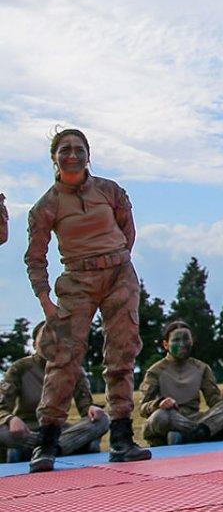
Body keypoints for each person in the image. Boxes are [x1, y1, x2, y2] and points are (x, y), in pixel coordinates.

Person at [24, 128, 150, 470]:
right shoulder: (46, 206)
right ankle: (46, 441)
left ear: (88, 154)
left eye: (79, 149)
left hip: (119, 275)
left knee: (122, 353)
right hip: (76, 280)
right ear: (54, 157)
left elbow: (128, 230)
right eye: (65, 149)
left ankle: (122, 438)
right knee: (64, 358)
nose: (72, 154)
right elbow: (36, 257)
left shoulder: (110, 191)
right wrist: (45, 299)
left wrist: (117, 263)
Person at [1, 322, 108, 465]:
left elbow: (85, 406)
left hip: (59, 432)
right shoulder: (19, 368)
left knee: (102, 421)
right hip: (28, 431)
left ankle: (50, 449)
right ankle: (49, 448)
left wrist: (91, 409)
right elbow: (2, 407)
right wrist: (10, 419)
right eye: (45, 339)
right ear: (34, 345)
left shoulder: (73, 369)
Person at [138, 321, 223, 446]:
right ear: (166, 345)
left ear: (192, 342)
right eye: (176, 340)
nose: (182, 344)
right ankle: (210, 434)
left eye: (186, 339)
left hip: (196, 419)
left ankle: (190, 436)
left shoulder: (202, 368)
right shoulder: (155, 371)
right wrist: (158, 404)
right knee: (160, 417)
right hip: (172, 418)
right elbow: (142, 409)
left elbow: (214, 401)